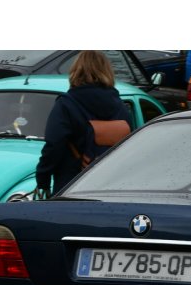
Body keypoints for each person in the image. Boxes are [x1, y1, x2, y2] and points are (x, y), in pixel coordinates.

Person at [34, 51, 131, 197]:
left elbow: (54, 144)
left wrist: (43, 179)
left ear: (75, 71)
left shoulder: (66, 105)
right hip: (111, 188)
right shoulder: (121, 107)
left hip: (71, 185)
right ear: (107, 71)